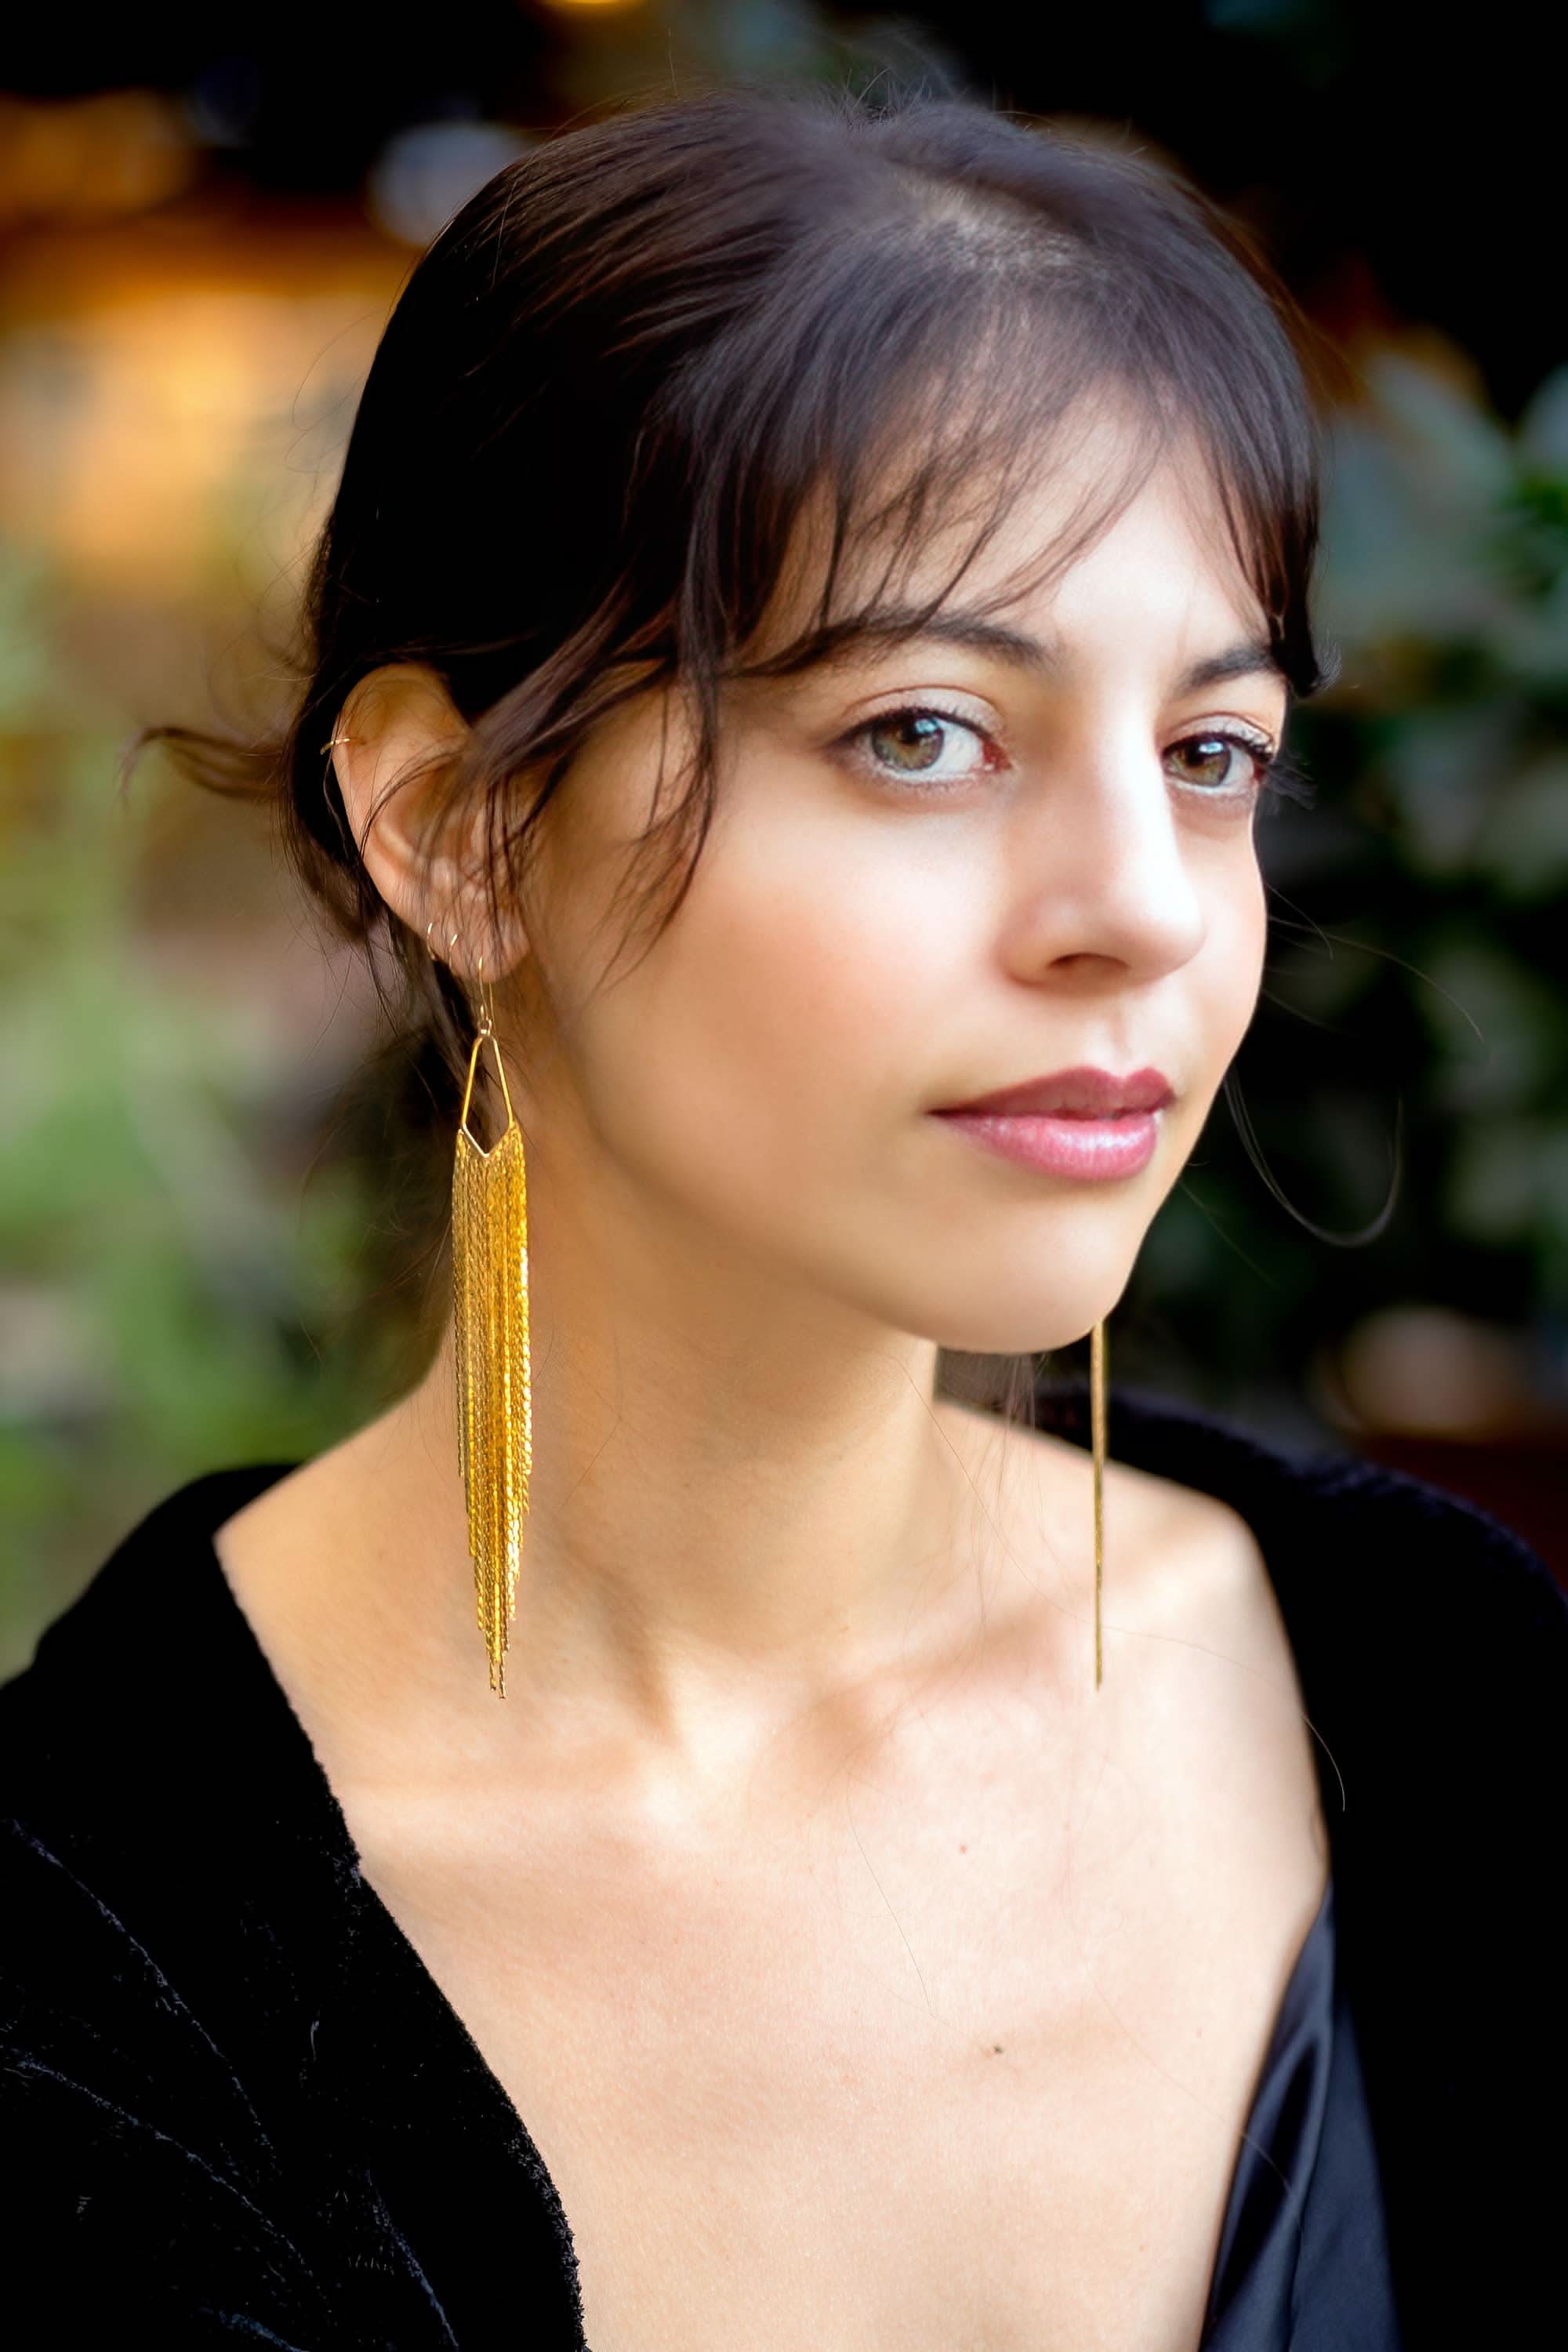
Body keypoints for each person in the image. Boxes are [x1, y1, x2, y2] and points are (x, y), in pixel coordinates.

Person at [2, 78, 1562, 2352]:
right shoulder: (96, 1961)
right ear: (455, 825)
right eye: (925, 731)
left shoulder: (1429, 1697)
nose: (1139, 905)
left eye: (1209, 752)